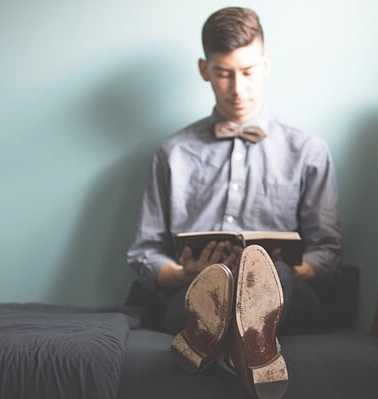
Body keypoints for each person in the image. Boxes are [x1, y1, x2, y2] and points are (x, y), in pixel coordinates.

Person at [126, 7, 341, 398]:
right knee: (200, 294)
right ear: (204, 69)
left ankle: (209, 343)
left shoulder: (309, 150)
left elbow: (328, 251)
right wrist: (185, 272)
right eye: (224, 73)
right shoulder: (171, 153)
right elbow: (144, 254)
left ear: (266, 65)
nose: (238, 89)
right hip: (194, 288)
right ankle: (251, 354)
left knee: (274, 277)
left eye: (247, 72)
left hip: (286, 291)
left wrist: (285, 268)